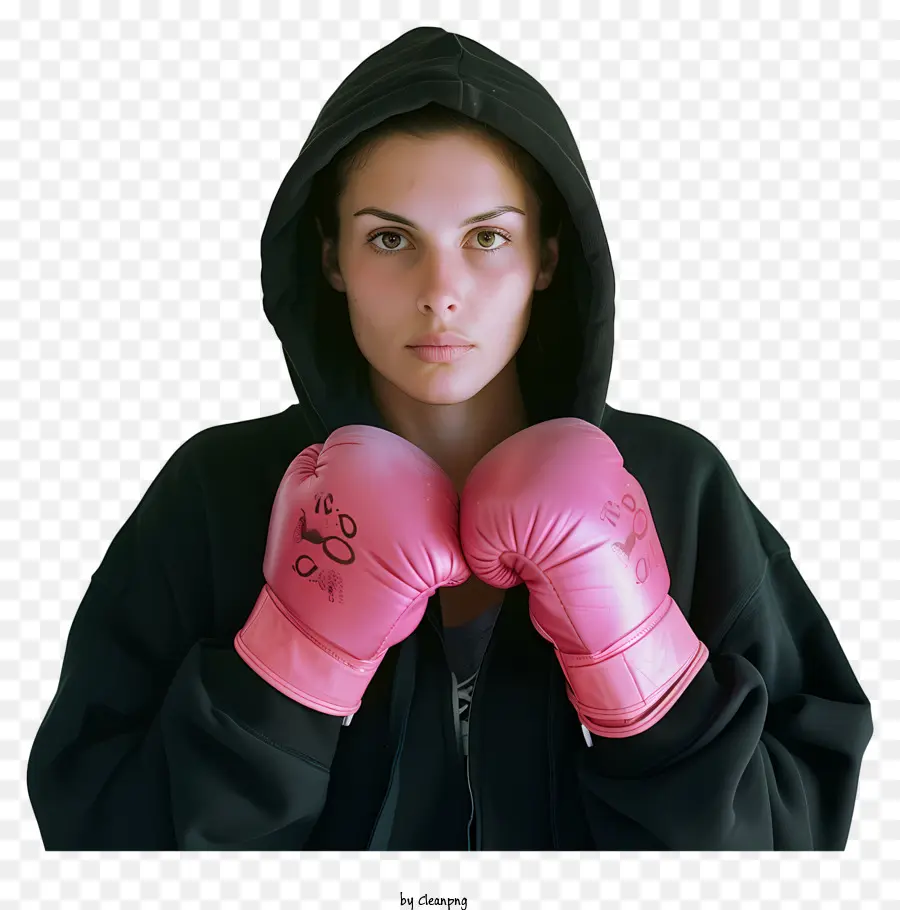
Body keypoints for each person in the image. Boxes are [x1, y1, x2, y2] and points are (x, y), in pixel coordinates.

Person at [26, 25, 873, 851]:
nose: (441, 292)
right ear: (331, 259)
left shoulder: (678, 484)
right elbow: (98, 840)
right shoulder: (215, 490)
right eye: (391, 239)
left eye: (487, 238)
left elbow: (794, 842)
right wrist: (288, 669)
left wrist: (645, 677)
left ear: (547, 255)